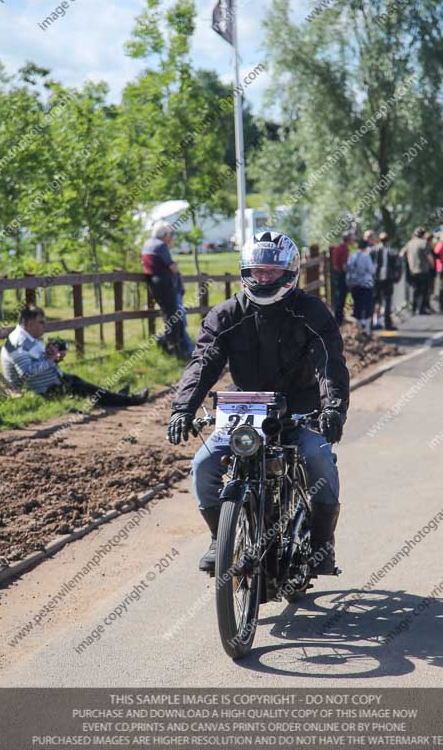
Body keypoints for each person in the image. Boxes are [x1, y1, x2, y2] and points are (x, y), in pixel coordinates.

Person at [167, 231, 350, 576]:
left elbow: (330, 364)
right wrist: (182, 408)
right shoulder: (227, 314)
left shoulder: (311, 312)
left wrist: (332, 409)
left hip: (300, 409)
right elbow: (203, 361)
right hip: (245, 409)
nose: (263, 278)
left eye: (271, 272)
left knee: (319, 459)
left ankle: (322, 545)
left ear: (289, 274)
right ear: (245, 272)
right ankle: (218, 538)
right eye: (257, 271)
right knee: (204, 465)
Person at [0, 305, 148, 406]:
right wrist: (51, 359)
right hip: (44, 391)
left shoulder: (29, 338)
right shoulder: (19, 342)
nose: (44, 325)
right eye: (41, 322)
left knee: (83, 386)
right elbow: (26, 374)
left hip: (51, 383)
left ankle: (119, 397)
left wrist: (56, 357)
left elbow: (41, 362)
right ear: (30, 323)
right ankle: (129, 400)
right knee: (83, 386)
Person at [141, 224, 190, 359]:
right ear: (164, 235)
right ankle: (172, 346)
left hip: (153, 283)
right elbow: (172, 266)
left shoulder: (147, 243)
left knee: (168, 314)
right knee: (173, 315)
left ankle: (169, 344)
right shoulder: (160, 245)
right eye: (168, 235)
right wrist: (176, 269)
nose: (170, 237)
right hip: (164, 283)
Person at [370, 232, 401, 330]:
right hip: (388, 279)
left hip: (376, 279)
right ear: (388, 240)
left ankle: (372, 323)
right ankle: (388, 324)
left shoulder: (373, 250)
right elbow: (398, 266)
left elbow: (369, 264)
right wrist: (397, 278)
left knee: (375, 301)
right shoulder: (392, 251)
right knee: (387, 301)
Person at [401, 227, 433, 315]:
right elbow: (429, 256)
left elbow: (401, 254)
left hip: (412, 271)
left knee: (415, 290)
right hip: (423, 270)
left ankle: (414, 308)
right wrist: (432, 265)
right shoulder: (424, 243)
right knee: (423, 290)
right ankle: (421, 309)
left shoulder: (409, 243)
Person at [346, 239, 376, 334]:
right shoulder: (366, 256)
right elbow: (371, 270)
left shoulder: (352, 256)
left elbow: (348, 270)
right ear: (366, 247)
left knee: (358, 306)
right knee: (368, 306)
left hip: (355, 285)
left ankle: (358, 329)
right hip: (366, 285)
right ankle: (367, 329)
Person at [329, 233, 352, 324]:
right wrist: (349, 275)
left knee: (338, 295)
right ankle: (339, 319)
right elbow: (344, 265)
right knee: (341, 296)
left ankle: (338, 317)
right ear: (349, 240)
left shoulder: (337, 248)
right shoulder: (344, 249)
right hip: (341, 274)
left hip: (336, 273)